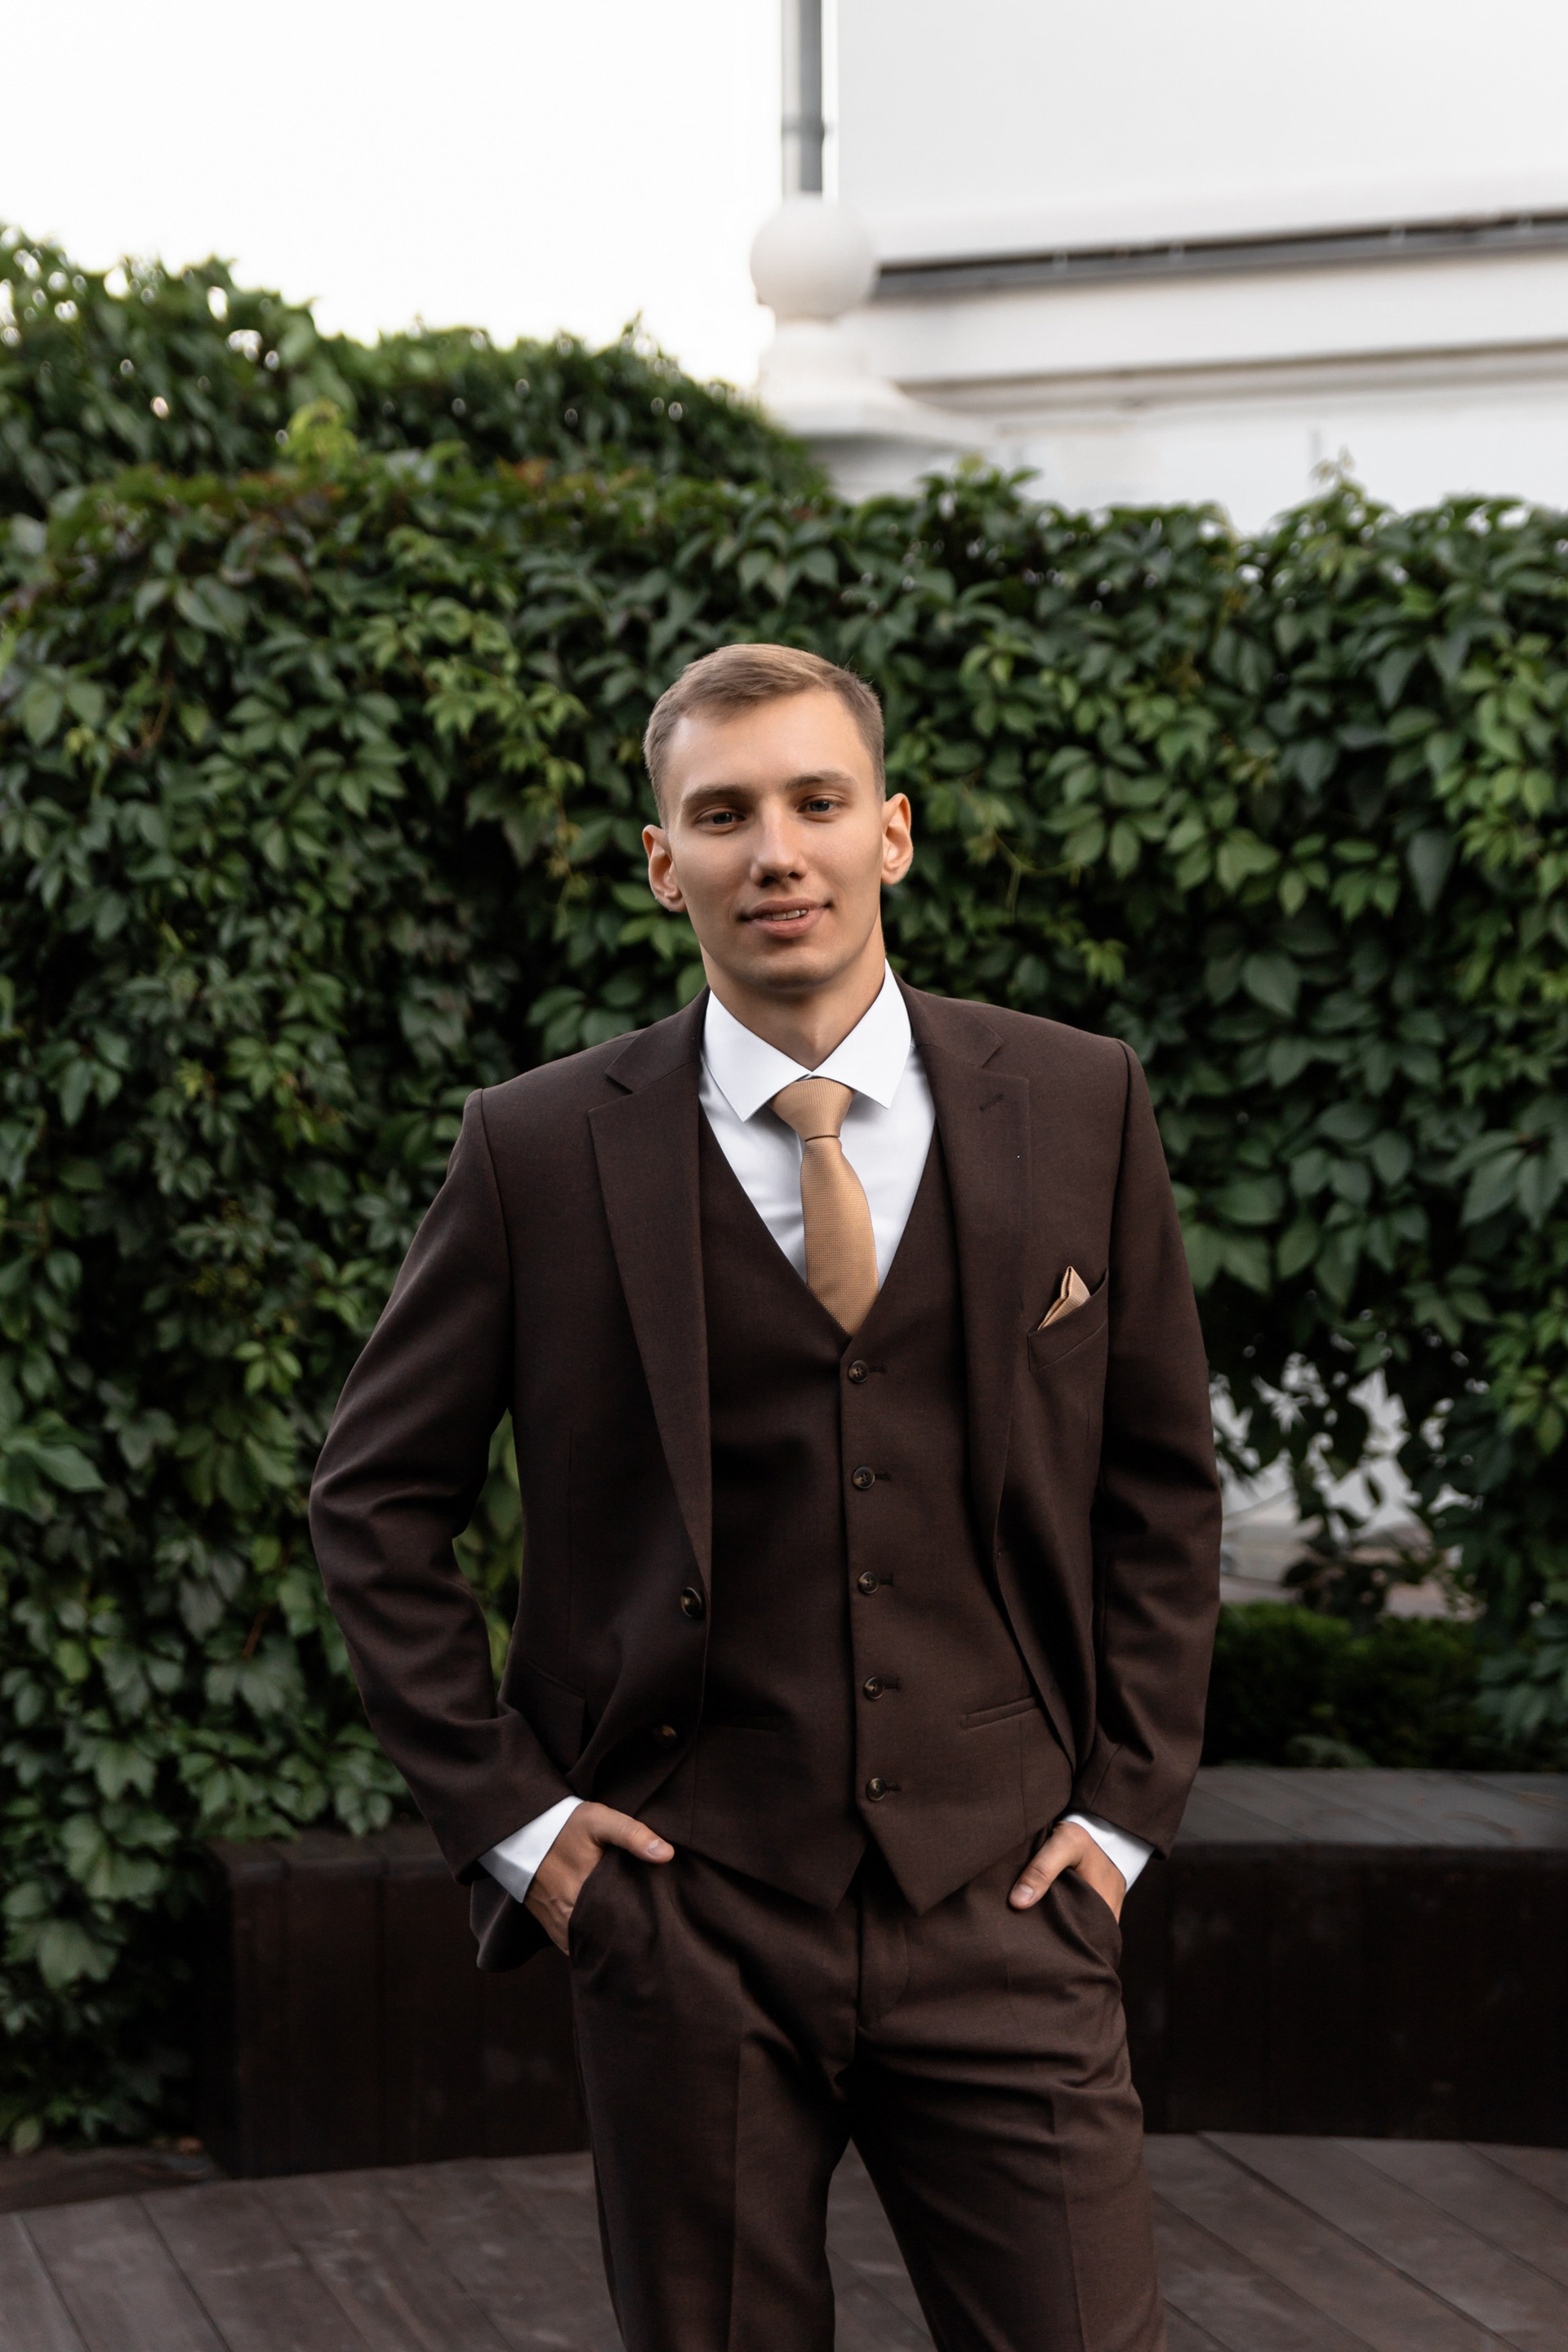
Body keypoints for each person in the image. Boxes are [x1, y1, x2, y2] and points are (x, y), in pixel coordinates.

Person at [310, 644, 1220, 2352]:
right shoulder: (537, 1147)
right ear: (667, 864)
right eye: (723, 816)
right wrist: (524, 1832)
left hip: (1008, 1898)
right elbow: (373, 1500)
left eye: (816, 802)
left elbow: (1162, 1485)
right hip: (683, 1913)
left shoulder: (1079, 1099)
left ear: (893, 833)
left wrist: (1118, 1819)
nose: (775, 852)